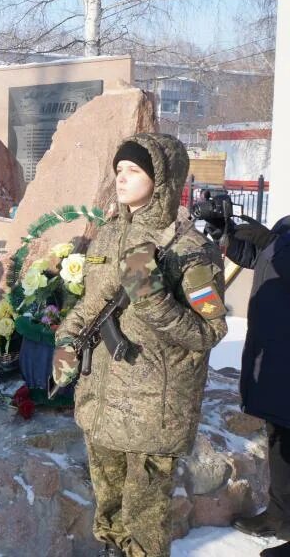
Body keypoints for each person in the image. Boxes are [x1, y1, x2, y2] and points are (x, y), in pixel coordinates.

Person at [51, 133, 228, 557]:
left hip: (154, 414)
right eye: (118, 171)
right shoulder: (110, 236)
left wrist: (152, 301)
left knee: (144, 522)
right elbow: (93, 303)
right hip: (101, 402)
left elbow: (210, 332)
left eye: (133, 171)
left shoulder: (190, 250)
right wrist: (67, 339)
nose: (122, 179)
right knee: (108, 512)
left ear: (162, 178)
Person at [211, 215, 290, 556]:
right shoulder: (286, 226)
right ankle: (280, 516)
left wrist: (272, 240)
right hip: (276, 351)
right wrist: (229, 237)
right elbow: (264, 261)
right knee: (280, 440)